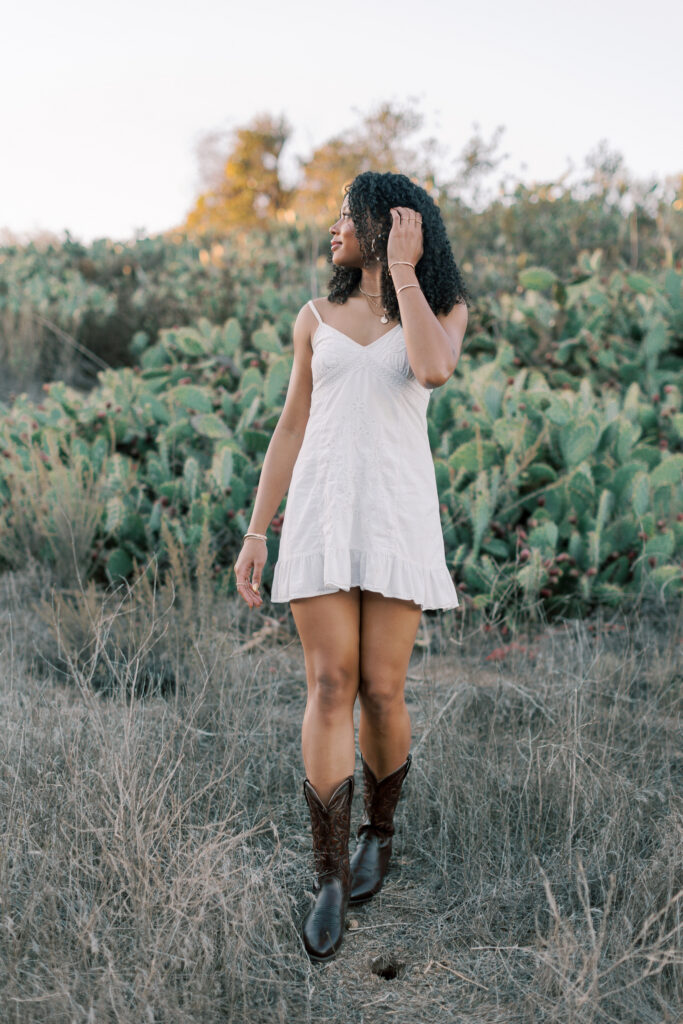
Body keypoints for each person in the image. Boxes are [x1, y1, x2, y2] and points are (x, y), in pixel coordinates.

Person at [233, 170, 470, 962]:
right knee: (329, 685)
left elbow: (433, 371)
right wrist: (257, 532)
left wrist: (404, 274)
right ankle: (330, 874)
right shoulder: (314, 317)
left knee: (383, 687)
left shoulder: (439, 312)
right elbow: (290, 427)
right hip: (322, 516)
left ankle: (380, 833)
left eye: (346, 215)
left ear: (388, 225)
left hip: (397, 518)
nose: (333, 228)